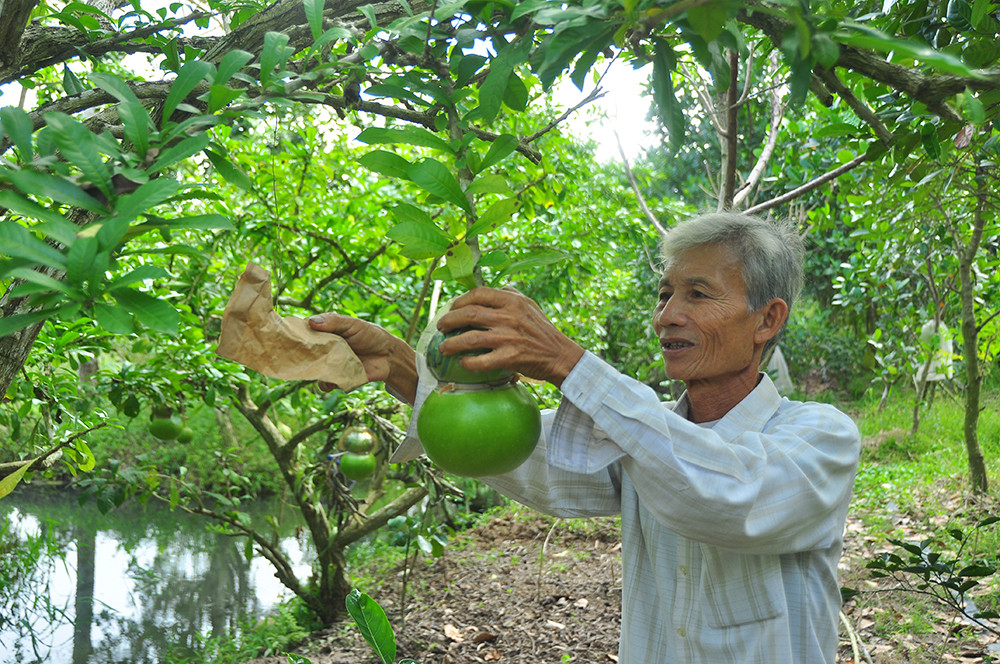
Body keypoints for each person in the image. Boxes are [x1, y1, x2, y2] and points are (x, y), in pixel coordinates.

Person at [308, 211, 861, 664]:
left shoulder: (821, 437)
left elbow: (728, 497)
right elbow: (532, 456)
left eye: (698, 294)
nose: (668, 315)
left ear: (766, 321)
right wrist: (406, 370)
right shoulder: (647, 439)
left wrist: (568, 363)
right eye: (665, 294)